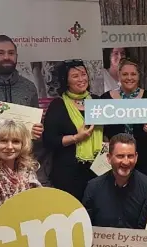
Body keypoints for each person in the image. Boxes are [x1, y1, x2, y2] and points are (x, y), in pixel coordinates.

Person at [0, 35, 48, 186]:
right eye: (0, 53)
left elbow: (35, 125)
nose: (6, 57)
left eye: (11, 53)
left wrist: (37, 129)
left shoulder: (28, 87)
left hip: (22, 162)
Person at [84, 133, 147, 247]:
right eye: (120, 156)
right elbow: (86, 227)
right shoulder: (93, 187)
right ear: (109, 158)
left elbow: (144, 232)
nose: (126, 161)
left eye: (130, 156)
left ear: (136, 157)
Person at [42, 59, 103, 201]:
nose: (81, 79)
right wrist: (76, 138)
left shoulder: (98, 101)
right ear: (66, 81)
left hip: (98, 170)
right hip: (67, 173)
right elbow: (49, 140)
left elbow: (108, 133)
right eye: (75, 76)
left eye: (83, 74)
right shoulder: (58, 105)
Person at [102, 58, 147, 177]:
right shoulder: (105, 99)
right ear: (118, 75)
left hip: (146, 158)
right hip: (116, 159)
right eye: (125, 74)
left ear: (139, 76)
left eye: (133, 74)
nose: (129, 78)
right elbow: (102, 133)